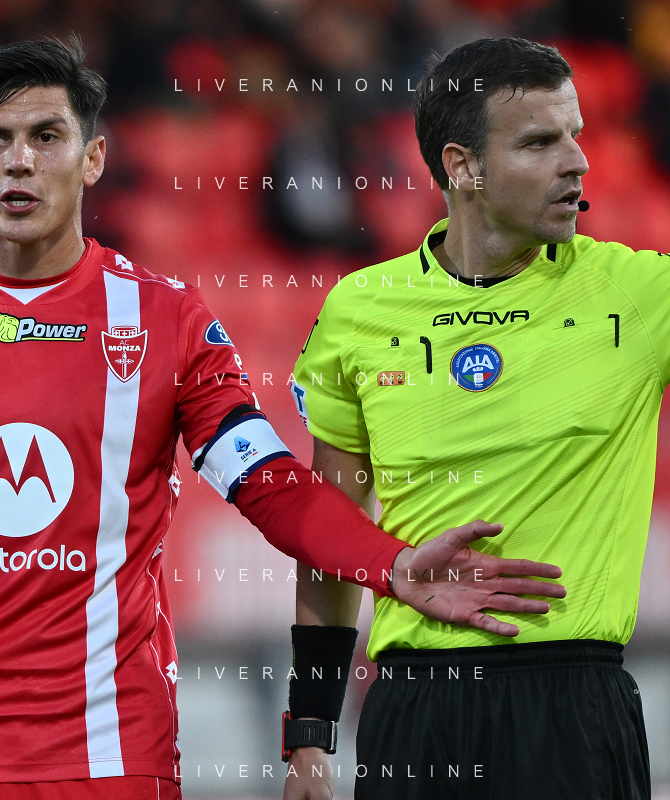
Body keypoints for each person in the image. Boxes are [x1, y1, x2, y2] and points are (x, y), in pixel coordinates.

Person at [0, 37, 564, 800]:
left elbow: (270, 484)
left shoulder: (164, 320)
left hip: (108, 755)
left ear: (93, 159)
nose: (20, 160)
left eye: (47, 136)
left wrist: (386, 563)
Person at [286, 36, 663, 800]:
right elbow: (330, 536)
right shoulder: (359, 311)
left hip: (573, 710)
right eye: (538, 142)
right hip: (412, 709)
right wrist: (309, 739)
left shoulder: (638, 294)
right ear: (461, 167)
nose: (577, 162)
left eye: (574, 134)